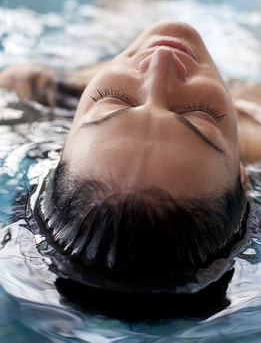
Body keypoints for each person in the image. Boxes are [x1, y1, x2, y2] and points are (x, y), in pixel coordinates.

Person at [0, 20, 260, 312]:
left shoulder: (32, 93)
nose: (160, 61)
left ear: (62, 147)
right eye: (200, 115)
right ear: (242, 175)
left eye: (113, 100)